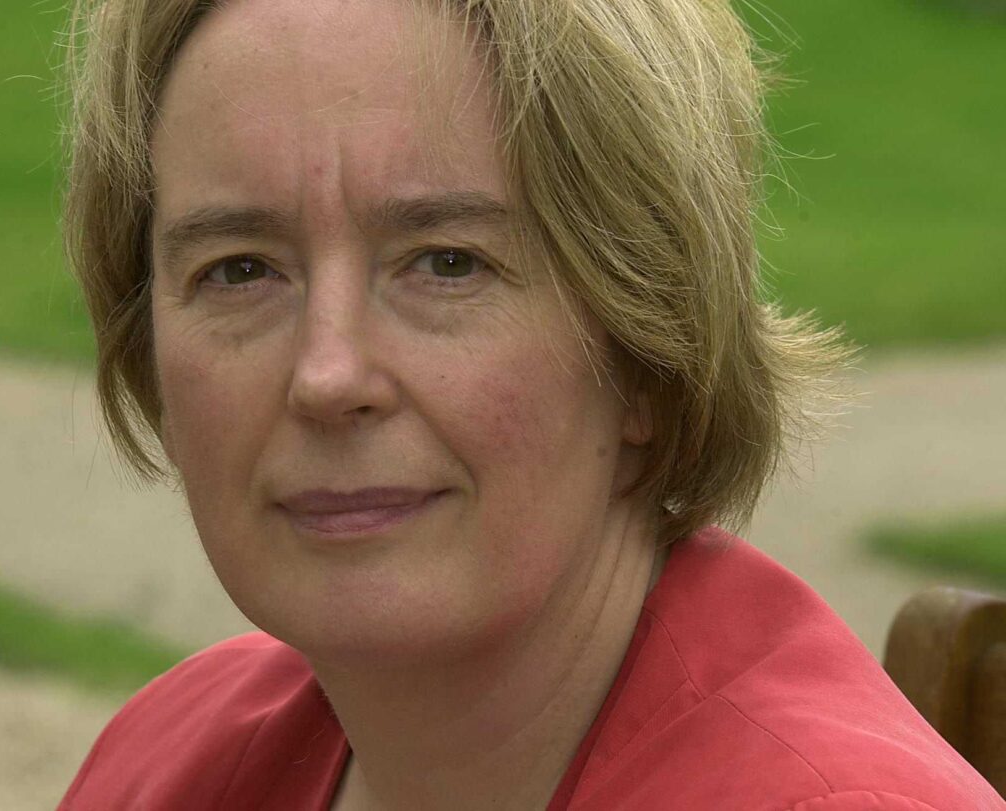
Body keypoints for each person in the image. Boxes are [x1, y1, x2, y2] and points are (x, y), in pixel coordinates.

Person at [58, 0, 1001, 809]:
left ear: (647, 349)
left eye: (447, 262)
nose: (328, 376)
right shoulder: (162, 763)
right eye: (240, 271)